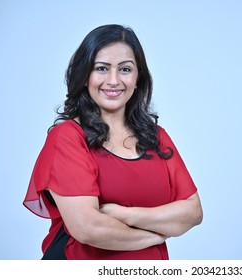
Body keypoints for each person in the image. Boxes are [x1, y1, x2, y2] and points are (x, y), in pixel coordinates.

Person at [23, 24, 203, 260]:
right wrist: (155, 236)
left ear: (138, 77)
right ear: (84, 75)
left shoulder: (156, 137)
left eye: (125, 69)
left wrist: (126, 215)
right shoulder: (68, 138)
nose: (114, 80)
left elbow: (192, 212)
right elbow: (88, 228)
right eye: (102, 68)